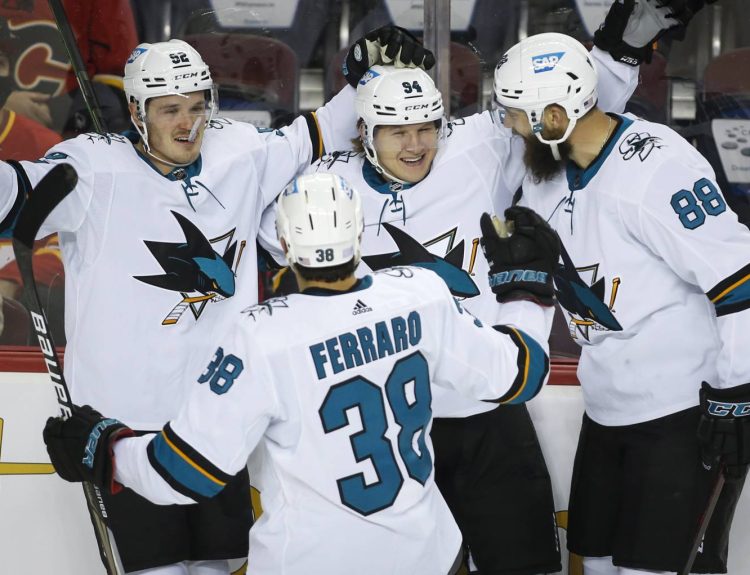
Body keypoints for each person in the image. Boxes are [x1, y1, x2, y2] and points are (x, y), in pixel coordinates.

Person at [256, 2, 699, 573]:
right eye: (397, 131)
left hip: (488, 407)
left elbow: (562, 111)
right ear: (363, 131)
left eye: (426, 128)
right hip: (392, 428)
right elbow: (244, 217)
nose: (416, 146)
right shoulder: (321, 186)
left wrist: (620, 53)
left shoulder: (476, 146)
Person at [0, 28, 433, 575]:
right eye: (170, 110)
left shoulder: (241, 151)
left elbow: (318, 131)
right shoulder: (90, 170)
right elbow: (14, 191)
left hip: (216, 422)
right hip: (124, 428)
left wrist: (369, 71)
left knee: (215, 567)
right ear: (136, 111)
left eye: (197, 106)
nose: (188, 123)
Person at [41, 172, 562, 575]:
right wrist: (525, 290)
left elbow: (185, 473)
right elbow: (520, 373)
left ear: (285, 245)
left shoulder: (262, 337)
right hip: (428, 558)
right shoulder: (421, 294)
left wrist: (106, 449)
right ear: (357, 230)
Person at [494, 29, 750, 575]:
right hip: (607, 409)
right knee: (593, 564)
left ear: (553, 118)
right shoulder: (545, 173)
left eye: (515, 115)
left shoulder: (657, 168)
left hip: (683, 413)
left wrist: (736, 392)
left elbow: (740, 279)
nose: (508, 126)